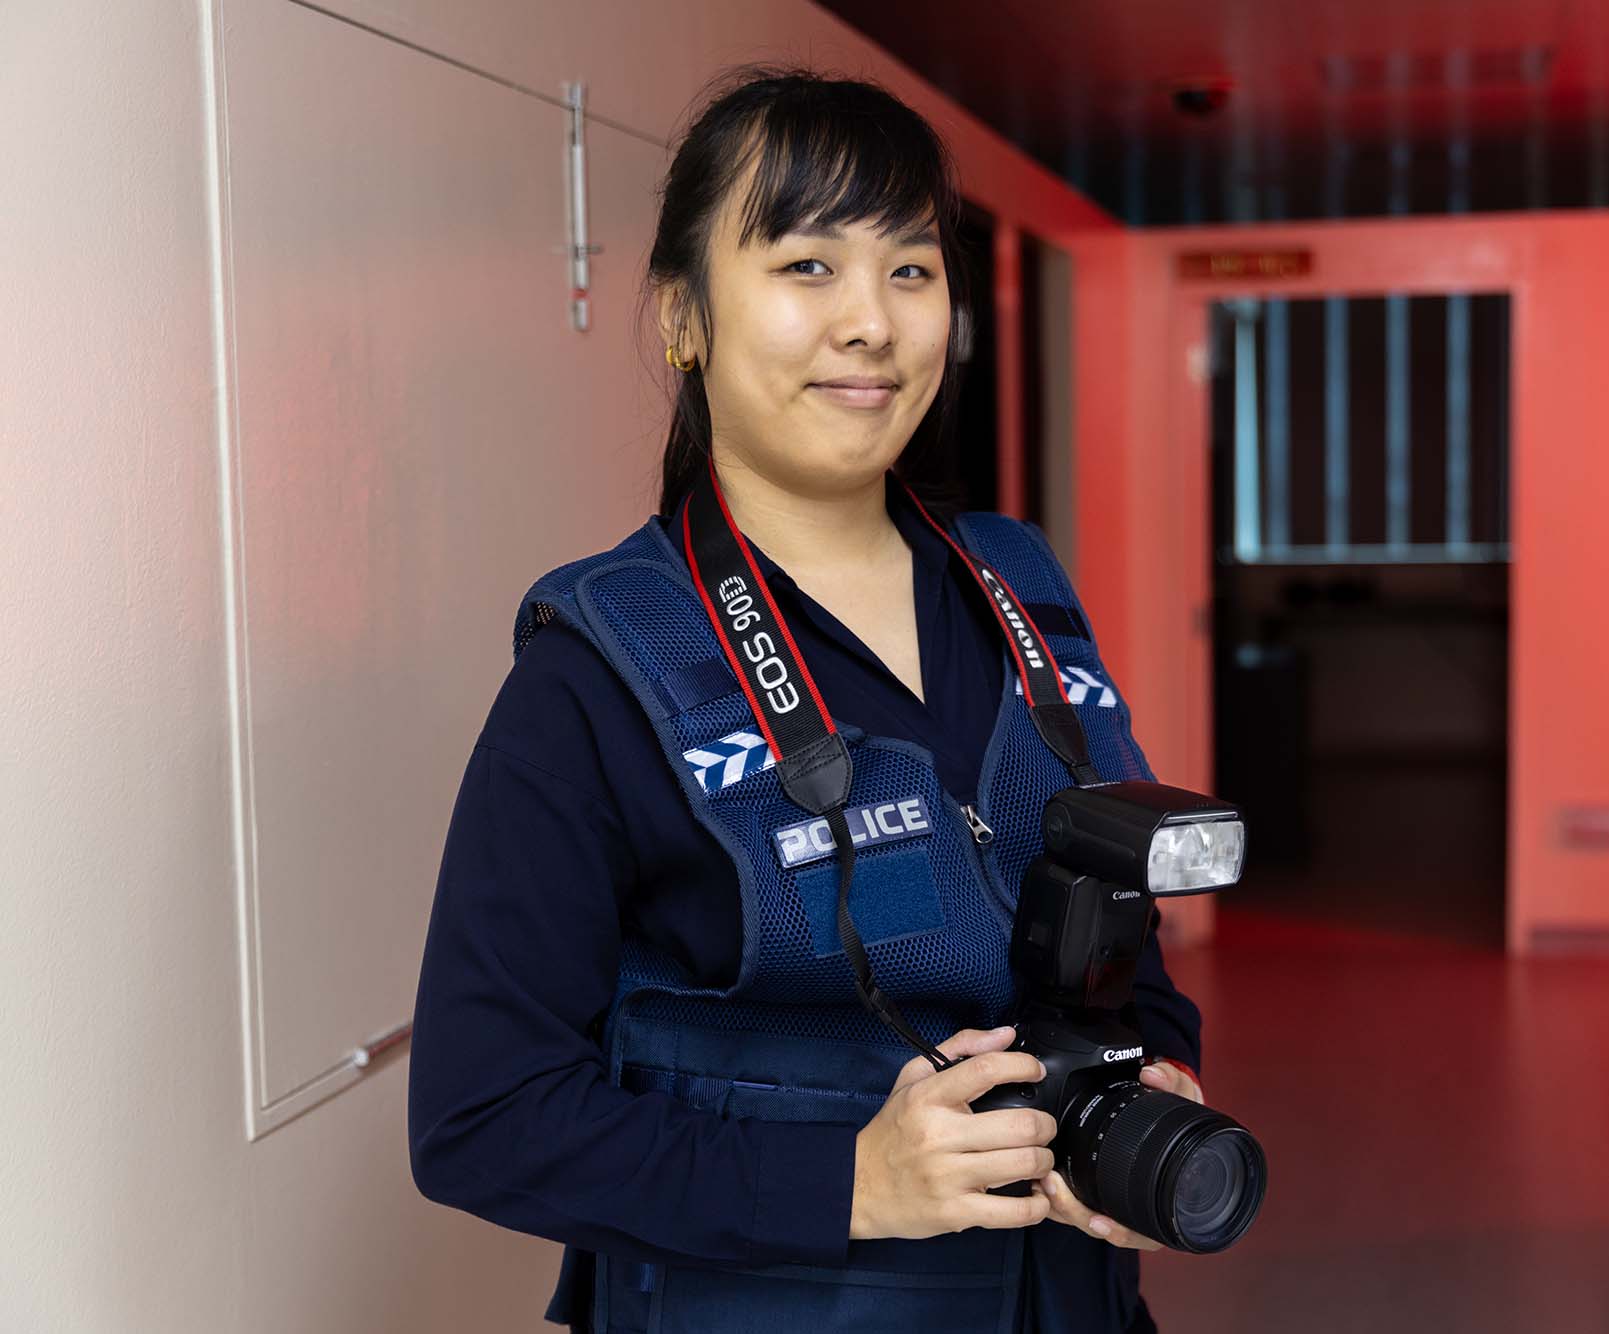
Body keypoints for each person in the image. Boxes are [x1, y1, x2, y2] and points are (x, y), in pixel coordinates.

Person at [407, 65, 1205, 1334]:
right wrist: (847, 1182)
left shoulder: (1024, 593)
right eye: (804, 267)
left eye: (909, 268)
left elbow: (1126, 958)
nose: (871, 322)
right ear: (682, 315)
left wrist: (1149, 1087)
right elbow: (481, 1114)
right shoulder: (601, 668)